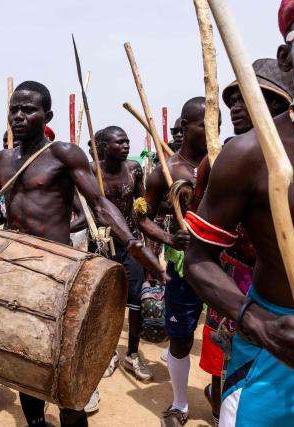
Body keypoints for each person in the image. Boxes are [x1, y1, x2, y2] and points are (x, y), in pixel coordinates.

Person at [0, 80, 168, 427]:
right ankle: (36, 422)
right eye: (14, 109)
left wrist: (133, 244)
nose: (19, 116)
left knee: (66, 362)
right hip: (14, 269)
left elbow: (99, 204)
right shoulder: (7, 157)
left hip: (57, 271)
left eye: (28, 109)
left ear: (47, 115)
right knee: (25, 354)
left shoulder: (64, 154)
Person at [185, 0, 294, 424]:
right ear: (287, 56)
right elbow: (197, 260)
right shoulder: (249, 155)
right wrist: (262, 326)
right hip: (279, 357)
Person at [194, 58, 294, 426]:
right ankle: (222, 399)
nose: (234, 105)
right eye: (231, 98)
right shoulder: (222, 161)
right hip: (236, 282)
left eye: (246, 98)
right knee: (228, 359)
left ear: (282, 106)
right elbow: (200, 244)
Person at [91, 126, 189, 384]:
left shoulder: (134, 169)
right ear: (103, 146)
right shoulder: (92, 171)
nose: (125, 146)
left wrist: (151, 244)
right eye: (119, 142)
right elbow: (88, 208)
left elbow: (141, 209)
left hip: (132, 245)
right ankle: (108, 353)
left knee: (136, 301)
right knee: (105, 302)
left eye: (127, 142)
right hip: (102, 246)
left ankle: (132, 354)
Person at [142, 97, 214, 427]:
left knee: (223, 337)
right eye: (204, 123)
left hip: (223, 264)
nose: (212, 129)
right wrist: (170, 239)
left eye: (217, 123)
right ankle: (181, 403)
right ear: (185, 126)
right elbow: (142, 217)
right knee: (182, 337)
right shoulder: (166, 171)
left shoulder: (225, 162)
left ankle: (221, 394)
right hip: (183, 266)